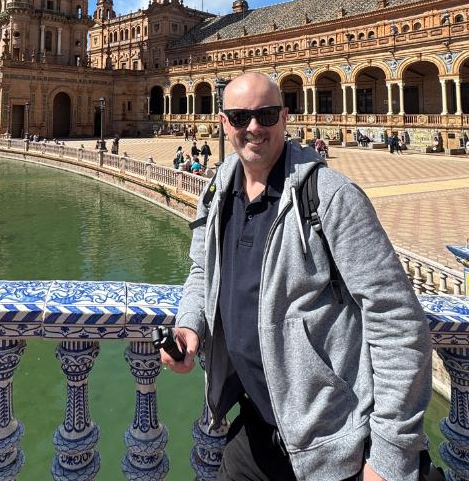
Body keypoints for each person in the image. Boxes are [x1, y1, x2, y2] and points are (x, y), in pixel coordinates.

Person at [164, 72, 431, 481]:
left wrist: (390, 456)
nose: (253, 127)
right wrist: (188, 325)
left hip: (334, 442)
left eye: (266, 115)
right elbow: (202, 268)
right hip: (256, 427)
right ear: (224, 123)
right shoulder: (219, 188)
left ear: (285, 117)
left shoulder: (332, 196)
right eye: (239, 117)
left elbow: (398, 322)